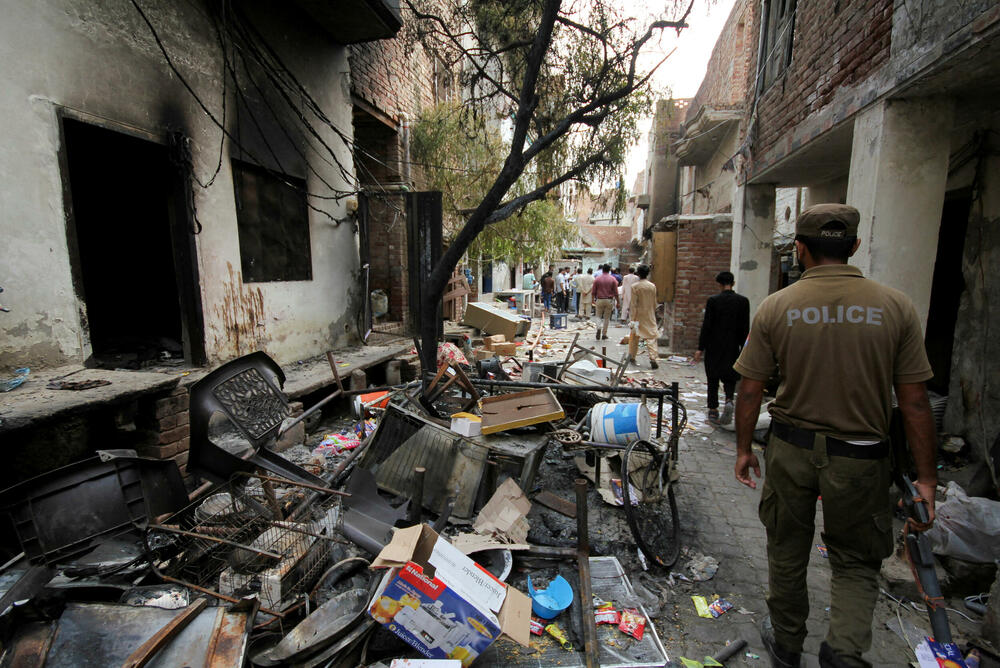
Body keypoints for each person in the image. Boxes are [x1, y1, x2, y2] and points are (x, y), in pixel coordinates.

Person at [732, 204, 938, 668]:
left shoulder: (776, 307)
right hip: (862, 457)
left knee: (786, 547)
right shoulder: (896, 307)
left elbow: (749, 390)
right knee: (856, 560)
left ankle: (786, 642)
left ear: (800, 249)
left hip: (791, 448)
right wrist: (927, 478)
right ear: (855, 246)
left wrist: (744, 449)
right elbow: (916, 402)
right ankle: (844, 653)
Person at [694, 271, 750, 425]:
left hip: (714, 345)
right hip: (733, 346)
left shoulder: (713, 301)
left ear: (719, 284)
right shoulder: (743, 301)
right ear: (733, 283)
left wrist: (700, 348)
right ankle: (729, 399)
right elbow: (745, 328)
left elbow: (707, 326)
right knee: (730, 376)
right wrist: (745, 348)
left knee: (713, 377)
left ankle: (713, 409)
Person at [627, 265, 659, 370]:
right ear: (648, 273)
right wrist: (652, 311)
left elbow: (633, 304)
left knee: (634, 336)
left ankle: (632, 356)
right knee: (651, 337)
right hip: (649, 314)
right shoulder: (652, 286)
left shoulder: (635, 286)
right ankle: (653, 357)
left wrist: (632, 318)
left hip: (638, 315)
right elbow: (654, 302)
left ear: (638, 274)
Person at [592, 263, 619, 340]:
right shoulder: (613, 279)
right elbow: (616, 292)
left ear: (602, 269)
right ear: (609, 270)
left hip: (599, 299)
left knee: (598, 316)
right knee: (607, 318)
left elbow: (593, 291)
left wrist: (592, 300)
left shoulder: (597, 279)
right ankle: (604, 334)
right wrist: (618, 302)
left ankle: (598, 328)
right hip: (609, 300)